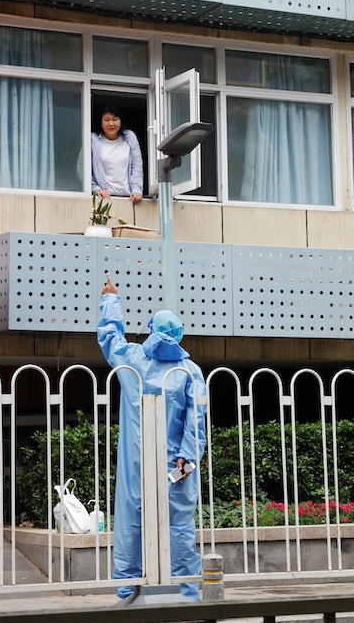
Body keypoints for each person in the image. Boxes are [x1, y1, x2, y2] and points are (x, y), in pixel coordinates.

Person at [97, 272, 207, 600]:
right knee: (179, 526)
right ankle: (189, 593)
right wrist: (188, 456)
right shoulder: (189, 371)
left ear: (151, 330)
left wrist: (110, 298)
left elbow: (109, 337)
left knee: (131, 520)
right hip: (178, 462)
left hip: (136, 459)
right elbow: (196, 419)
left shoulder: (132, 359)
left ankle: (128, 589)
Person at [88, 106, 144, 203]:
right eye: (106, 120)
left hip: (128, 198)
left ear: (121, 120)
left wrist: (137, 190)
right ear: (100, 121)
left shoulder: (129, 136)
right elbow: (82, 169)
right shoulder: (93, 139)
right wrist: (96, 189)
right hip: (103, 198)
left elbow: (137, 166)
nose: (111, 124)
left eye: (115, 119)